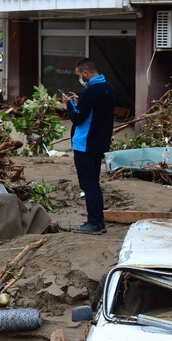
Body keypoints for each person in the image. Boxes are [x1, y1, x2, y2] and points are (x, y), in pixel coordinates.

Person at [63, 58, 116, 235]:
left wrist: (69, 104)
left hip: (85, 144)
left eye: (79, 75)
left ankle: (94, 223)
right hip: (99, 143)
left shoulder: (91, 92)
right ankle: (98, 221)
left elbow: (78, 118)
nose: (80, 79)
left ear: (85, 73)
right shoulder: (109, 88)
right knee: (94, 183)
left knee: (89, 185)